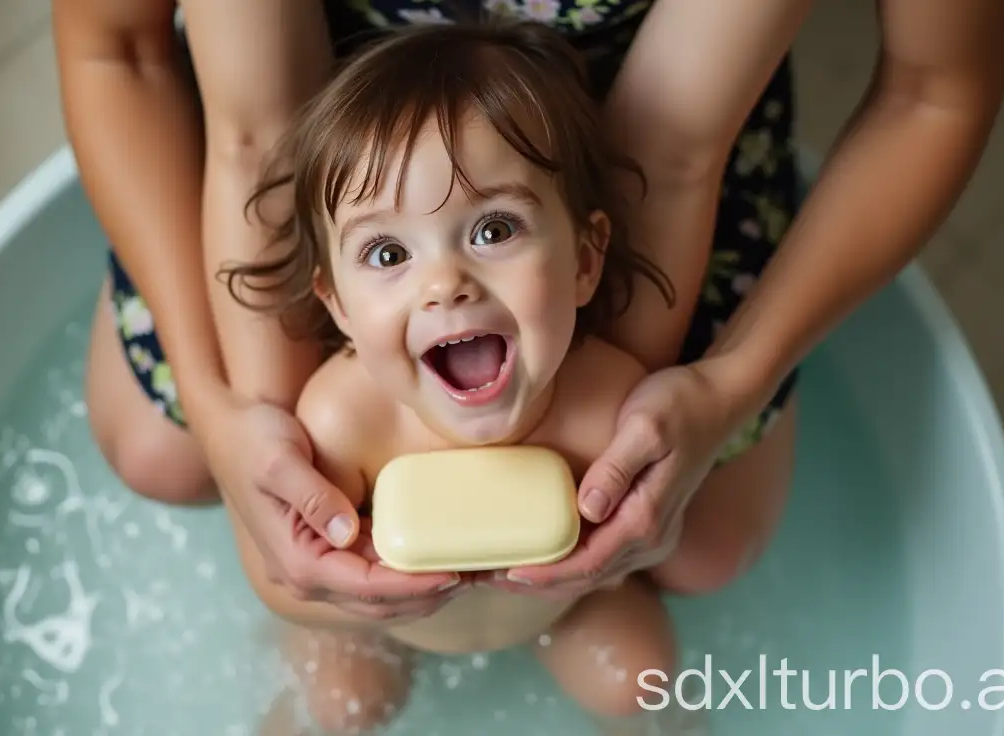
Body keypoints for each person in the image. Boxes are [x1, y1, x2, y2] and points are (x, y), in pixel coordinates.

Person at [52, 0, 1004, 622]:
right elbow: (134, 56)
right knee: (164, 451)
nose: (443, 289)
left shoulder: (637, 177)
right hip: (315, 123)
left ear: (592, 254)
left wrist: (729, 382)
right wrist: (226, 409)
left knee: (708, 542)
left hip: (666, 123)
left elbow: (925, 92)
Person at [227, 21, 686, 733]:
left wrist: (621, 558)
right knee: (340, 704)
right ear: (338, 305)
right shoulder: (344, 426)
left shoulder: (611, 411)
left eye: (493, 231)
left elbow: (648, 532)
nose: (445, 284)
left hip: (567, 604)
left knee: (641, 683)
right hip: (380, 625)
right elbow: (293, 569)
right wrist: (344, 593)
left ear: (585, 262)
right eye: (386, 254)